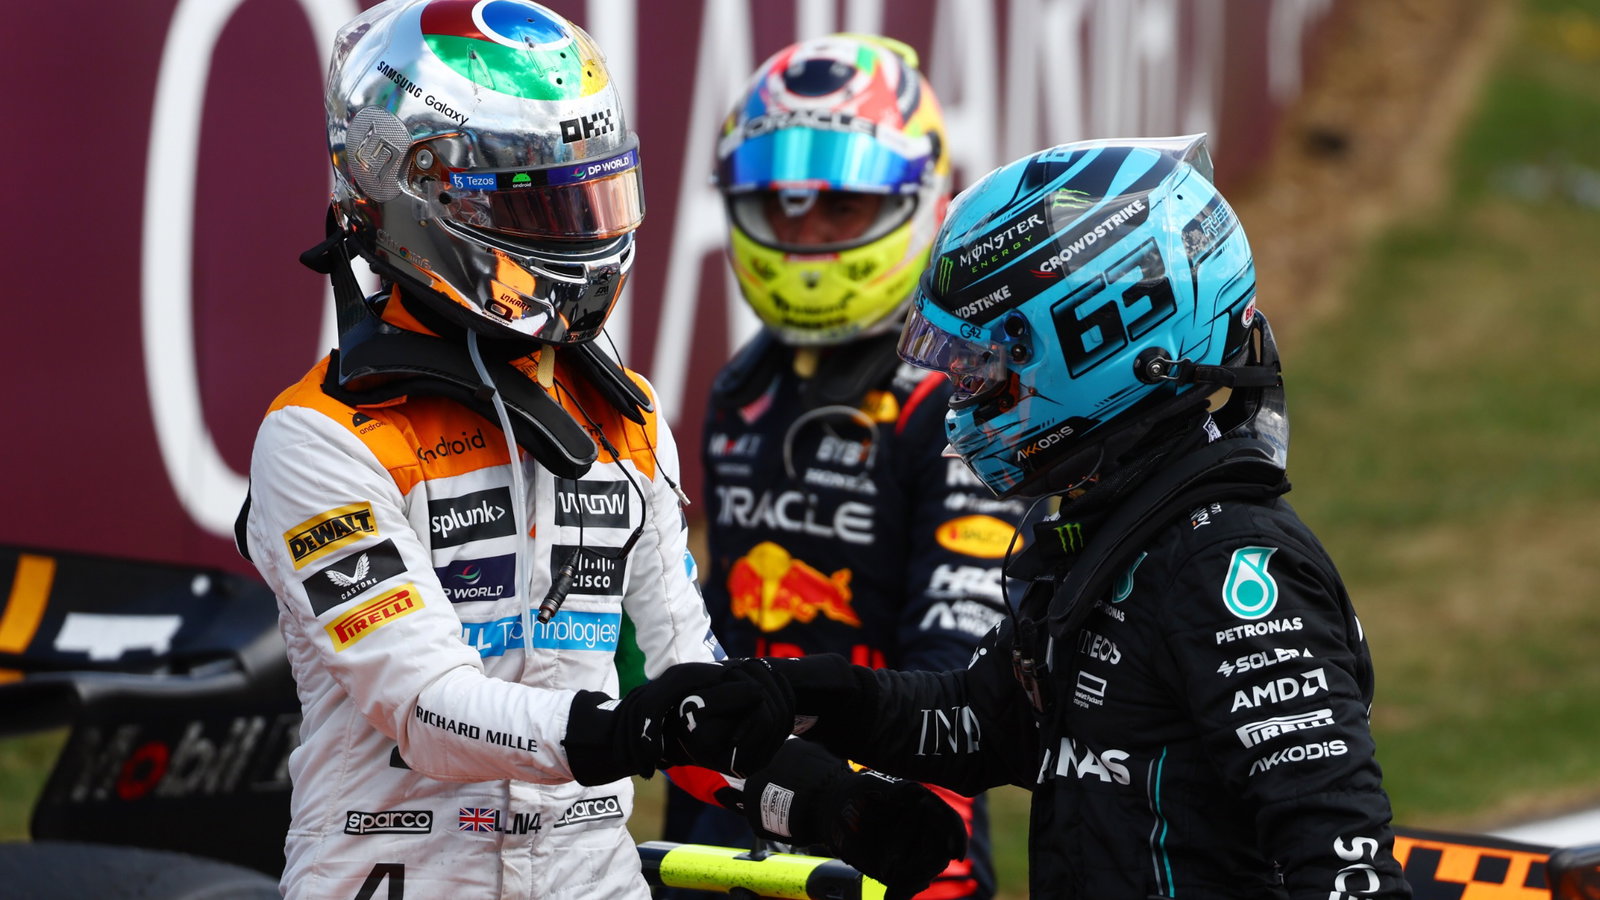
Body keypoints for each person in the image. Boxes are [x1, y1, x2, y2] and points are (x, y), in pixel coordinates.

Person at [747, 136, 1415, 898]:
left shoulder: (1226, 566)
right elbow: (979, 723)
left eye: (988, 368)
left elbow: (1344, 863)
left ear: (1102, 334)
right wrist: (805, 694)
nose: (963, 403)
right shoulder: (1112, 531)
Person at [236, 2, 799, 897]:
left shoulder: (624, 412)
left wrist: (811, 795)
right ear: (410, 190)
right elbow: (423, 707)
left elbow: (681, 668)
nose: (578, 232)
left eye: (590, 195)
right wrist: (630, 733)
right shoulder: (319, 437)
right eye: (540, 201)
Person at [659, 34, 1018, 900]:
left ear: (916, 201)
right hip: (735, 793)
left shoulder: (958, 395)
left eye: (841, 208)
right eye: (782, 206)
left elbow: (958, 654)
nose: (807, 233)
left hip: (898, 799)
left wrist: (871, 801)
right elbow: (721, 613)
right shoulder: (740, 385)